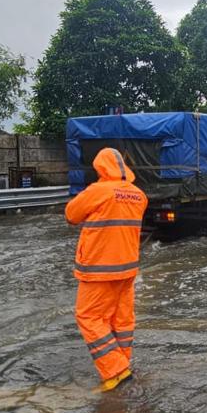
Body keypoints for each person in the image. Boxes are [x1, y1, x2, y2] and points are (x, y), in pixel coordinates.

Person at [65, 148, 148, 391]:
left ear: (100, 167)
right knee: (120, 320)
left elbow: (71, 214)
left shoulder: (98, 191)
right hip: (127, 269)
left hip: (99, 269)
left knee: (89, 317)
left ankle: (116, 371)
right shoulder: (139, 195)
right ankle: (123, 364)